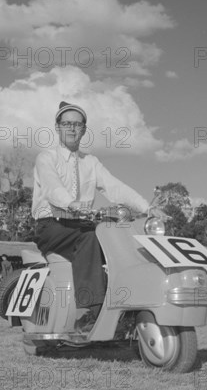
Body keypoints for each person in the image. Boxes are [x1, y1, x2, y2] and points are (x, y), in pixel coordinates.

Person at [32, 101, 150, 328]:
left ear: (84, 130)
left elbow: (114, 186)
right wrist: (71, 204)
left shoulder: (91, 162)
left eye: (77, 124)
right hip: (51, 225)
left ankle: (128, 305)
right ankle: (89, 312)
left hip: (81, 224)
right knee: (90, 238)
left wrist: (147, 207)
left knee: (122, 239)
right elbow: (52, 187)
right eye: (66, 124)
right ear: (57, 128)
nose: (72, 129)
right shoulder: (46, 158)